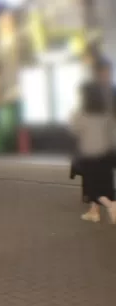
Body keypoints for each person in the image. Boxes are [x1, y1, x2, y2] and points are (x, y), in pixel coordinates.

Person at [71, 59, 116, 223]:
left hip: (92, 151)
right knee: (100, 180)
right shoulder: (105, 102)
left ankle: (109, 205)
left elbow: (75, 128)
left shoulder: (84, 110)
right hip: (106, 147)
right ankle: (94, 210)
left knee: (94, 183)